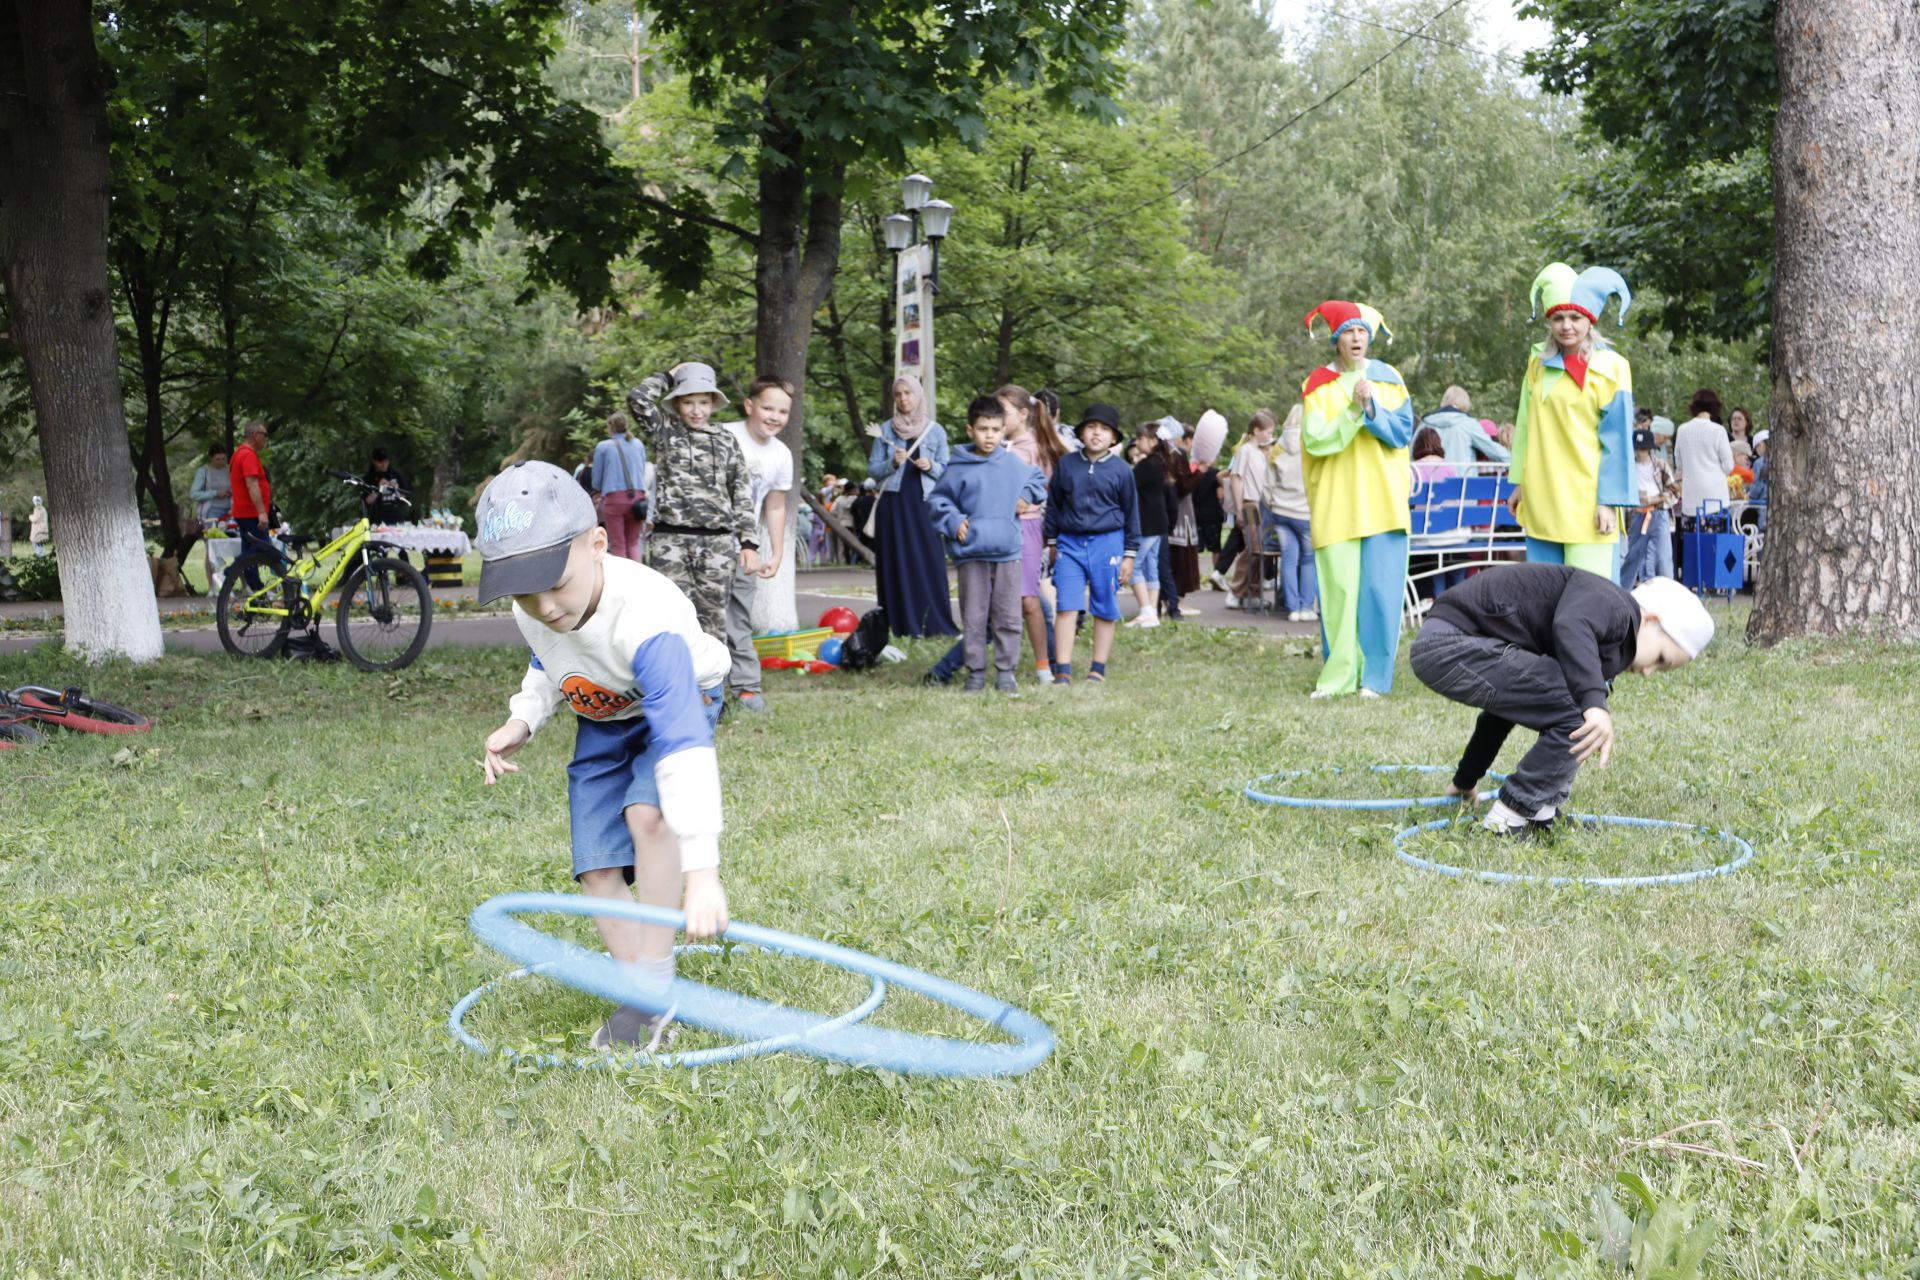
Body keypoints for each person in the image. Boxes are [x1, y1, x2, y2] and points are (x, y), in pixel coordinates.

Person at [475, 460, 731, 1053]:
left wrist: (704, 872)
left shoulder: (647, 619)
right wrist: (524, 718)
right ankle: (642, 991)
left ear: (597, 545)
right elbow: (549, 657)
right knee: (595, 866)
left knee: (648, 815)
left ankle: (656, 983)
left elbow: (682, 745)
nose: (544, 606)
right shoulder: (535, 607)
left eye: (555, 584)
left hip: (679, 697)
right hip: (603, 713)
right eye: (523, 592)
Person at [1409, 565, 1714, 836]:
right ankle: (1507, 818)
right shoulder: (1618, 606)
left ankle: (1541, 812)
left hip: (1446, 644)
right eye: (1661, 658)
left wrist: (1466, 778)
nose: (1649, 672)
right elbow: (1571, 624)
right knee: (1580, 708)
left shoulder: (1598, 619)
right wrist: (1594, 704)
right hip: (1450, 644)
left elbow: (1500, 714)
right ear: (1649, 620)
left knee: (1573, 700)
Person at [1300, 300, 1414, 697]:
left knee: (1380, 593)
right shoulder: (1317, 385)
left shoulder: (1388, 378)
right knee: (1339, 594)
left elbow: (1401, 432)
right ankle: (1338, 678)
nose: (1356, 338)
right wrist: (1351, 410)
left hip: (1383, 501)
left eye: (1362, 331)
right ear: (1336, 338)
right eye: (1348, 331)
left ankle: (1375, 679)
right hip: (1336, 503)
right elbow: (1316, 441)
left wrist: (1371, 408)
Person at [1510, 263, 1636, 582]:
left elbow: (1618, 442)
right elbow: (1525, 425)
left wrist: (1608, 502)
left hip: (1588, 504)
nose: (1566, 326)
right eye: (1558, 318)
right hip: (1542, 498)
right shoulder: (1536, 363)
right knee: (1543, 599)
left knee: (1591, 600)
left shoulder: (1612, 367)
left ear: (1590, 320)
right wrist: (1519, 483)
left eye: (1575, 318)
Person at [926, 395, 1047, 695]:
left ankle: (1006, 674)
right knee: (975, 617)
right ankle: (975, 674)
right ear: (970, 430)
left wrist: (1027, 496)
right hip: (971, 554)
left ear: (1004, 429)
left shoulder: (1012, 464)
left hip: (1008, 552)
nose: (989, 435)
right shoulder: (957, 467)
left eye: (995, 429)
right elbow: (938, 501)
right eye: (983, 429)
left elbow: (1038, 479)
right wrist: (953, 521)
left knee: (1008, 616)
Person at [647, 363, 757, 643]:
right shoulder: (665, 432)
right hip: (670, 540)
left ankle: (711, 687)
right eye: (688, 402)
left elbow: (741, 491)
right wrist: (668, 376)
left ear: (712, 404)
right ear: (677, 403)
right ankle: (676, 684)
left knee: (713, 620)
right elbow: (638, 398)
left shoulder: (726, 440)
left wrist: (748, 543)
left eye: (703, 403)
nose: (696, 410)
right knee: (669, 617)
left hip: (717, 544)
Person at [1043, 403, 1139, 686]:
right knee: (1066, 606)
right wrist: (1052, 543)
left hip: (1108, 544)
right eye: (1091, 427)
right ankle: (1063, 670)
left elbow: (1132, 514)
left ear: (1114, 438)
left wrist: (1129, 555)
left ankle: (1098, 669)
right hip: (1069, 544)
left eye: (1104, 429)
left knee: (1104, 605)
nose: (1097, 433)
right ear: (1082, 433)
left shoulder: (1122, 471)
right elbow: (1054, 506)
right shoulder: (1067, 464)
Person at [720, 378, 795, 714]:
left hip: (745, 550)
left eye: (783, 411)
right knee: (698, 617)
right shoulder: (723, 436)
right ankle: (697, 687)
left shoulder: (781, 455)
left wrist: (776, 552)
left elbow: (774, 505)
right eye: (768, 407)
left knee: (739, 616)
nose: (774, 416)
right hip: (706, 546)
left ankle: (747, 687)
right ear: (749, 406)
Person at [867, 375, 957, 638]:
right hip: (893, 506)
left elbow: (948, 472)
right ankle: (898, 624)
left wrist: (932, 467)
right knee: (895, 562)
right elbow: (873, 470)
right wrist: (892, 465)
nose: (904, 399)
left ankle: (934, 623)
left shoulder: (935, 431)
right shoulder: (885, 430)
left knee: (928, 561)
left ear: (918, 396)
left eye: (908, 393)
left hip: (924, 505)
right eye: (898, 394)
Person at [1266, 406, 1317, 621]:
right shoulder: (1313, 444)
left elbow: (1267, 483)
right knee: (1308, 560)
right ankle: (1307, 607)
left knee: (1288, 560)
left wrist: (1272, 504)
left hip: (1281, 511)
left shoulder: (1277, 447)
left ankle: (1292, 608)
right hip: (1305, 512)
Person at [1127, 423, 1175, 629]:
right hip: (1159, 522)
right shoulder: (1162, 463)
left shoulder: (1148, 465)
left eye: (1141, 438)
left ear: (1153, 441)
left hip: (1147, 522)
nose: (1137, 442)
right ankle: (1151, 612)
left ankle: (1146, 610)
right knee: (1150, 566)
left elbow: (1127, 484)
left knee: (1134, 564)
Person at [1408, 424, 1465, 600]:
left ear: (1417, 446)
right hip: (1453, 532)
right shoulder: (1450, 467)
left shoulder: (1413, 469)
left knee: (1435, 552)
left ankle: (1438, 597)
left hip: (1426, 533)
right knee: (1454, 554)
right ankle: (1459, 596)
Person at [1225, 412, 1275, 608]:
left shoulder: (1259, 452)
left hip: (1261, 503)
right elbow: (1236, 479)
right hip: (1248, 502)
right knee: (1253, 548)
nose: (1270, 435)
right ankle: (1236, 589)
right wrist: (1238, 509)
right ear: (1256, 431)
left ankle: (1252, 591)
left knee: (1260, 549)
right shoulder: (1245, 451)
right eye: (1268, 432)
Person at [1621, 428, 1679, 589]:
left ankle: (1668, 591)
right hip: (1637, 514)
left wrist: (1655, 499)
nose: (1639, 453)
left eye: (1642, 449)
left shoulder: (1660, 466)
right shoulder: (1629, 467)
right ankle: (1623, 590)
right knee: (1633, 556)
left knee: (1663, 557)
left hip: (1658, 513)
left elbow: (1675, 491)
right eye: (1636, 449)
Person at [1674, 388, 1734, 530]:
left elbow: (1679, 463)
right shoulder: (1718, 431)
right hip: (1716, 497)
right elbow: (1729, 466)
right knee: (1716, 548)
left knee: (1693, 547)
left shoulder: (1682, 430)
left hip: (1691, 499)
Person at [591, 412, 649, 561]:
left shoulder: (603, 447)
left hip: (614, 499)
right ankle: (639, 579)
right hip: (637, 499)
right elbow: (642, 470)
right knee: (633, 543)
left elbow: (596, 481)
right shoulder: (638, 444)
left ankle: (622, 581)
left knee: (618, 544)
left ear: (611, 427)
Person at [229, 420, 278, 582]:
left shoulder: (239, 454)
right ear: (255, 435)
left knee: (250, 550)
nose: (266, 439)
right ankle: (230, 571)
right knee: (265, 549)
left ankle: (256, 592)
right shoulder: (247, 455)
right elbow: (252, 485)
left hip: (244, 512)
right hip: (251, 513)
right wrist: (262, 513)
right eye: (265, 435)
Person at [1424, 385, 1511, 467]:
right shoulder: (1469, 424)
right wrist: (1517, 464)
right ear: (1464, 406)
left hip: (1429, 481)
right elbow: (1493, 450)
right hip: (1462, 480)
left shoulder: (1425, 423)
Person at [360, 447, 411, 524]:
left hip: (397, 517)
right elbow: (367, 501)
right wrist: (379, 489)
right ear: (374, 461)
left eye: (386, 461)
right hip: (377, 518)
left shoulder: (396, 475)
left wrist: (396, 490)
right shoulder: (368, 479)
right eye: (380, 461)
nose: (384, 464)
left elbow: (406, 497)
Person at [189, 443, 232, 523]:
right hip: (211, 511)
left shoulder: (229, 471)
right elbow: (193, 494)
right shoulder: (203, 472)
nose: (221, 462)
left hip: (230, 511)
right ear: (210, 458)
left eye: (223, 459)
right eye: (217, 459)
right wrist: (215, 493)